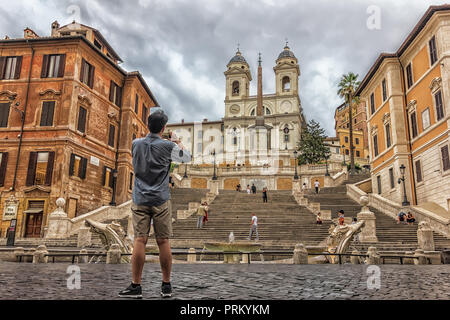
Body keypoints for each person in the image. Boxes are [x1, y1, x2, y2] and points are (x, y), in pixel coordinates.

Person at [119, 109, 191, 299]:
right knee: (163, 241)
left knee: (139, 240)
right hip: (160, 198)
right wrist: (176, 141)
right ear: (164, 128)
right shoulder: (167, 146)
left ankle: (136, 285)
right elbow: (187, 157)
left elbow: (141, 151)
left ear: (147, 125)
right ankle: (166, 285)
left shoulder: (136, 144)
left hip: (140, 197)